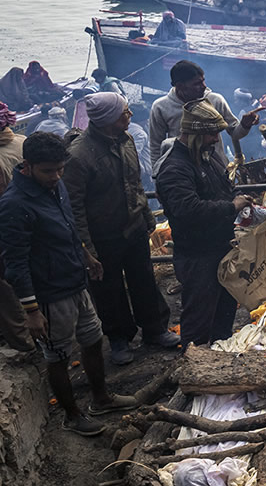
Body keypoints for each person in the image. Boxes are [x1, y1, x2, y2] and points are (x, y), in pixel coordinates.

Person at [0, 132, 137, 435]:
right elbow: (15, 264)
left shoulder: (56, 186)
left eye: (60, 168)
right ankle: (72, 415)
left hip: (75, 279)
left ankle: (101, 398)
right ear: (28, 165)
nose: (57, 176)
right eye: (48, 171)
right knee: (58, 355)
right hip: (49, 293)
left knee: (92, 338)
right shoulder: (14, 205)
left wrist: (87, 256)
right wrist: (32, 311)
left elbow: (69, 226)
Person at [63, 92, 178, 365]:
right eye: (124, 112)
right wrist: (86, 249)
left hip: (134, 227)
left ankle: (154, 329)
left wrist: (147, 218)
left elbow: (134, 183)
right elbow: (74, 208)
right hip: (103, 235)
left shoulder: (126, 140)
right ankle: (118, 338)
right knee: (108, 290)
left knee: (144, 281)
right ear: (108, 120)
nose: (129, 116)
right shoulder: (78, 156)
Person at [155, 101, 246, 346]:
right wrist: (231, 207)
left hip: (221, 248)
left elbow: (225, 188)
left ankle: (221, 360)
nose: (216, 139)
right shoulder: (175, 168)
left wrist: (248, 207)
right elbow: (188, 210)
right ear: (194, 133)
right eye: (212, 133)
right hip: (197, 255)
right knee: (198, 318)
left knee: (225, 312)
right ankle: (191, 368)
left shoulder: (207, 157)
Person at [149, 60, 255, 165]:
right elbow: (155, 146)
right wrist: (158, 174)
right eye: (197, 83)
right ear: (180, 86)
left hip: (216, 169)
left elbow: (235, 133)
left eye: (203, 81)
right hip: (182, 170)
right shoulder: (161, 107)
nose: (204, 86)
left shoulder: (215, 100)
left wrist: (245, 125)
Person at [0, 102, 32, 353]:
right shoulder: (24, 142)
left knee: (6, 284)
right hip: (36, 218)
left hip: (8, 225)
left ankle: (23, 340)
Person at [127, 101, 153, 190]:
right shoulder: (140, 134)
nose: (147, 121)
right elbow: (134, 155)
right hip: (142, 177)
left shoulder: (127, 128)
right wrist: (143, 173)